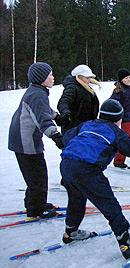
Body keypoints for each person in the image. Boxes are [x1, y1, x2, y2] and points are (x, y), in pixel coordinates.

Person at [59, 99, 130, 259]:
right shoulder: (116, 133)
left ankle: (70, 232)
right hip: (88, 170)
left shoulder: (87, 124)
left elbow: (65, 139)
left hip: (67, 165)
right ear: (118, 119)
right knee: (110, 207)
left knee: (76, 199)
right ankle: (126, 245)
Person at [8, 62, 64, 219]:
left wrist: (57, 117)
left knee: (34, 174)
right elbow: (42, 120)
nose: (53, 77)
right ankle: (36, 210)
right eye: (50, 75)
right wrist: (56, 136)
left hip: (22, 138)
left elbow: (43, 110)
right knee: (38, 175)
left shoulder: (37, 91)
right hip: (25, 141)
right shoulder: (37, 94)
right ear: (41, 78)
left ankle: (35, 203)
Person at [58, 64, 100, 135]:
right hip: (74, 129)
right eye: (87, 77)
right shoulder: (72, 88)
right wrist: (65, 113)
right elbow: (64, 101)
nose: (89, 80)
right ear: (79, 77)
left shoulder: (86, 88)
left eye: (90, 77)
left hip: (85, 127)